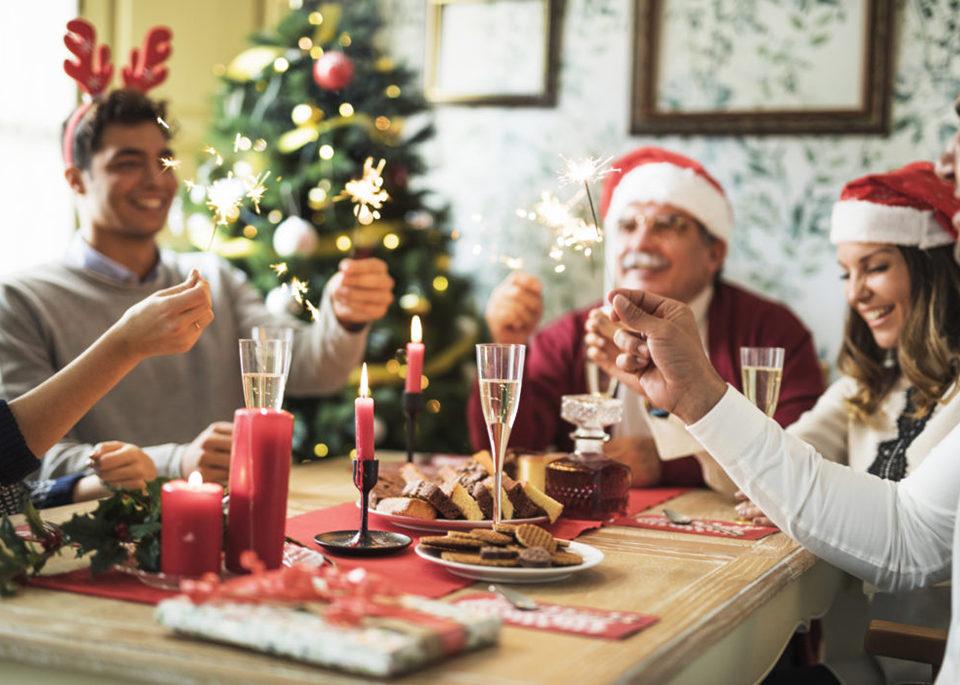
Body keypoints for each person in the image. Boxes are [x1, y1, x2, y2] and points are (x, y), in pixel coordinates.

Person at [0, 88, 393, 499]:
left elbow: (313, 368)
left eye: (163, 160)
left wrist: (345, 315)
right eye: (128, 163)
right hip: (106, 535)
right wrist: (175, 462)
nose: (155, 179)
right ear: (76, 180)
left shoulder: (213, 277)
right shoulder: (23, 300)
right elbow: (28, 463)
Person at [605, 282, 960, 684]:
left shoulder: (769, 324)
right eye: (844, 274)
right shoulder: (861, 388)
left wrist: (698, 401)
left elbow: (907, 543)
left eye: (877, 267)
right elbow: (909, 533)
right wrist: (695, 397)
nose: (856, 291)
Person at [467, 147, 824, 486]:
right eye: (627, 226)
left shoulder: (771, 332)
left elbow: (799, 457)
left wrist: (668, 462)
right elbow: (508, 452)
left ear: (714, 252)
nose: (640, 243)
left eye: (668, 225)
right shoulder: (572, 335)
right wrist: (506, 347)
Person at [1, 271, 213, 514]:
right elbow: (16, 461)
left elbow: (13, 496)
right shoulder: (21, 296)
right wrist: (124, 345)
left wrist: (96, 486)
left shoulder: (218, 275)